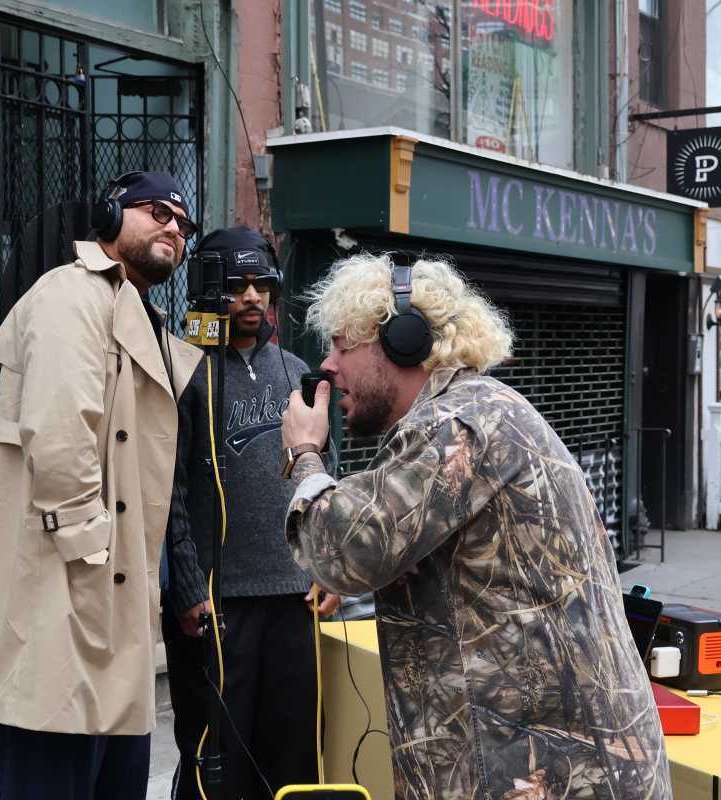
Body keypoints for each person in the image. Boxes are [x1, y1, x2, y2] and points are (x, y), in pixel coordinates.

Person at [279, 253, 671, 800]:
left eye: (344, 345)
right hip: (549, 766)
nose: (329, 366)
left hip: (546, 774)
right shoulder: (477, 411)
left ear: (403, 342)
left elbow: (346, 549)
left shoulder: (459, 424)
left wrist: (304, 454)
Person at [0, 171, 205, 800]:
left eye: (184, 225)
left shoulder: (144, 316)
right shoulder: (68, 293)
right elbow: (59, 430)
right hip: (67, 599)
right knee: (52, 766)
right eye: (158, 212)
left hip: (114, 610)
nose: (174, 229)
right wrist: (91, 550)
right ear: (110, 215)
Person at [162, 226, 340, 800]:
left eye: (261, 284)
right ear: (209, 289)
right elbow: (166, 489)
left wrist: (330, 568)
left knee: (293, 755)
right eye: (236, 286)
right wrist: (188, 586)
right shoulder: (184, 371)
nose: (251, 298)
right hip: (220, 604)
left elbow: (322, 480)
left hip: (294, 601)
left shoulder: (295, 369)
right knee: (215, 758)